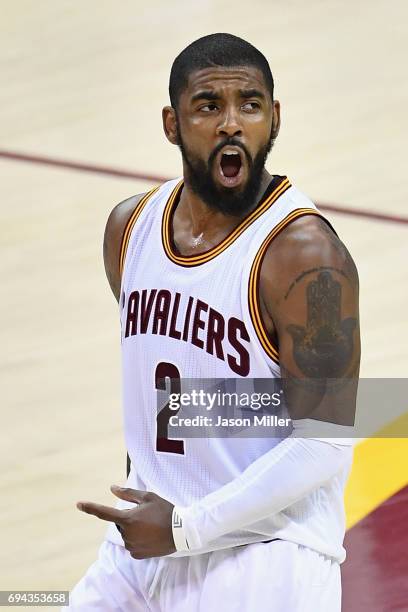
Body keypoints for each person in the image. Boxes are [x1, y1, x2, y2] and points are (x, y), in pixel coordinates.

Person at [66, 33, 360, 611]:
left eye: (249, 105)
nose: (232, 123)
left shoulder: (305, 256)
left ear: (273, 119)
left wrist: (187, 527)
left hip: (266, 554)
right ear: (172, 124)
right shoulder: (129, 229)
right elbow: (163, 391)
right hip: (148, 539)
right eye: (208, 106)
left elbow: (326, 444)